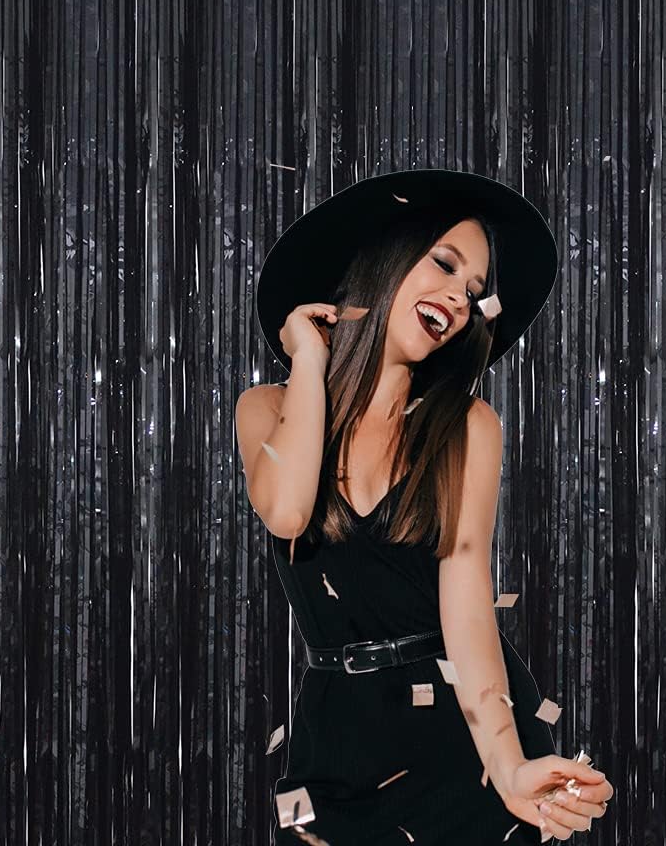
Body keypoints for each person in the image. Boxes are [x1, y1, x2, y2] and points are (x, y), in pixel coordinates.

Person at [236, 169, 613, 844]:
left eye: (473, 290)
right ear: (383, 259)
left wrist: (508, 766)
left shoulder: (469, 426)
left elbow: (468, 605)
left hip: (463, 737)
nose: (459, 299)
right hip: (335, 738)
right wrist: (310, 363)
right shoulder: (265, 408)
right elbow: (288, 513)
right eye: (444, 263)